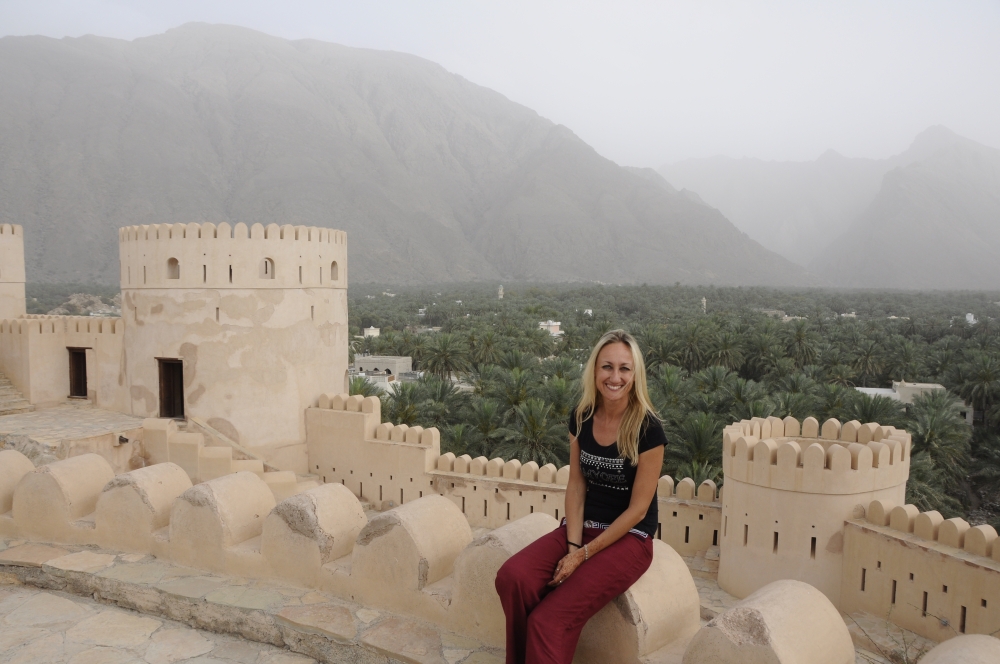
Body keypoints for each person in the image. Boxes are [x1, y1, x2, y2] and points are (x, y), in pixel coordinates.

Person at [495, 329, 666, 664]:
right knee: (513, 578)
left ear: (635, 375)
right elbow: (576, 484)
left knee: (549, 619)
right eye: (607, 367)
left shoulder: (649, 429)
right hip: (582, 527)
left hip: (629, 538)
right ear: (594, 370)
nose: (615, 377)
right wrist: (572, 545)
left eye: (624, 369)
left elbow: (638, 510)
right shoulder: (582, 416)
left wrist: (582, 556)